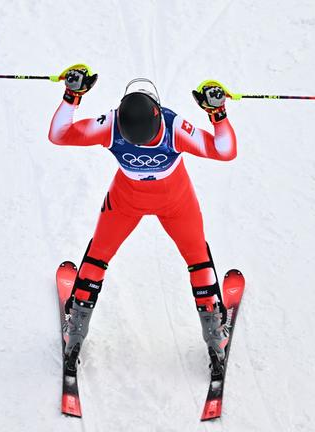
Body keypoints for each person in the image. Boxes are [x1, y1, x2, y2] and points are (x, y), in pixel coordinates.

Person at [48, 66, 238, 371]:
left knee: (98, 257)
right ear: (157, 113)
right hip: (177, 204)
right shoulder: (173, 127)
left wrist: (73, 95)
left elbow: (58, 135)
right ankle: (215, 336)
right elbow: (225, 151)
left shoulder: (110, 126)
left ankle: (76, 331)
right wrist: (217, 112)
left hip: (125, 202)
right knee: (198, 260)